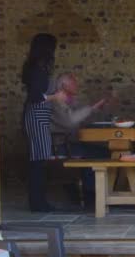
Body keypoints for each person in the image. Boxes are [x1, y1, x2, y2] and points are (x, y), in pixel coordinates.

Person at [21, 33, 67, 212]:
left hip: (35, 116)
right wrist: (56, 96)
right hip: (37, 116)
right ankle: (39, 203)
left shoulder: (32, 67)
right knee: (39, 160)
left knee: (37, 159)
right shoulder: (39, 69)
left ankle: (38, 201)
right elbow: (35, 97)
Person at [50, 73, 107, 206]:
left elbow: (82, 118)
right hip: (61, 146)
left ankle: (91, 192)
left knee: (98, 151)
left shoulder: (70, 100)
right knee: (100, 154)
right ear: (64, 86)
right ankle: (92, 194)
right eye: (74, 82)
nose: (77, 85)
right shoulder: (57, 101)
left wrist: (96, 110)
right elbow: (71, 121)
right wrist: (91, 109)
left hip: (71, 143)